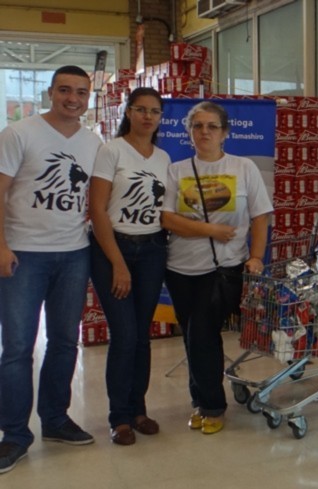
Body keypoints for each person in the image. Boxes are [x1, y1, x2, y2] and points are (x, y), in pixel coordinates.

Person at [0, 65, 102, 474]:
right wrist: (1, 245)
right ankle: (14, 434)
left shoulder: (93, 142)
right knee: (17, 348)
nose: (72, 99)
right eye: (64, 90)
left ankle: (56, 420)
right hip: (24, 254)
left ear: (88, 97)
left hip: (74, 253)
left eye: (80, 92)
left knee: (64, 341)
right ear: (50, 92)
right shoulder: (19, 133)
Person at [160, 101, 272, 435]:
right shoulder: (177, 170)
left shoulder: (243, 167)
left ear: (225, 133)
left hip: (224, 268)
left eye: (212, 126)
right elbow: (168, 220)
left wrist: (256, 256)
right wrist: (210, 230)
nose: (204, 132)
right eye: (198, 126)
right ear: (189, 133)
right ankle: (200, 400)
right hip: (180, 269)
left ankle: (211, 405)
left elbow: (260, 216)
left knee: (202, 334)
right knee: (192, 336)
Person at [89, 87, 171, 446]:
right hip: (113, 249)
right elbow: (97, 211)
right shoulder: (111, 151)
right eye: (141, 109)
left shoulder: (164, 157)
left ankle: (139, 410)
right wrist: (118, 263)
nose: (147, 116)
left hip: (152, 250)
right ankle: (119, 417)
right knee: (123, 335)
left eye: (154, 111)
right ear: (128, 112)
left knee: (141, 335)